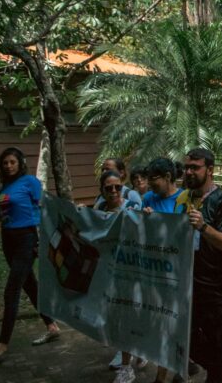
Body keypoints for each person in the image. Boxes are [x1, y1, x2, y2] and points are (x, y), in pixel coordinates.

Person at [0, 147, 60, 364]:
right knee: (30, 286)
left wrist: (45, 235)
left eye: (12, 162)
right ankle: (52, 327)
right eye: (5, 162)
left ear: (20, 163)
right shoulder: (5, 187)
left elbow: (45, 206)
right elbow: (0, 216)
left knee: (11, 291)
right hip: (8, 240)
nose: (8, 166)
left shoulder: (30, 183)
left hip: (27, 239)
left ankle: (1, 347)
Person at [176, 148, 222, 383]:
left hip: (218, 291)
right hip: (191, 290)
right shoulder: (184, 199)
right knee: (190, 342)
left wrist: (204, 227)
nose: (189, 172)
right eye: (187, 167)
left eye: (195, 168)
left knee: (220, 351)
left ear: (210, 170)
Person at [96, 171, 148, 383]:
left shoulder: (132, 208)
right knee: (117, 318)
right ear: (103, 190)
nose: (114, 191)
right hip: (109, 273)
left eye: (118, 187)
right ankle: (136, 351)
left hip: (132, 272)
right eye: (109, 188)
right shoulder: (99, 210)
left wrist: (148, 217)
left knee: (129, 317)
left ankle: (126, 366)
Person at [139, 157, 183, 383]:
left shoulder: (184, 199)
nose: (149, 184)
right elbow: (140, 233)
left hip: (176, 273)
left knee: (170, 324)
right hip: (153, 271)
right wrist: (144, 220)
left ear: (168, 177)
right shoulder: (148, 199)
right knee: (157, 324)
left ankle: (162, 375)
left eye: (153, 179)